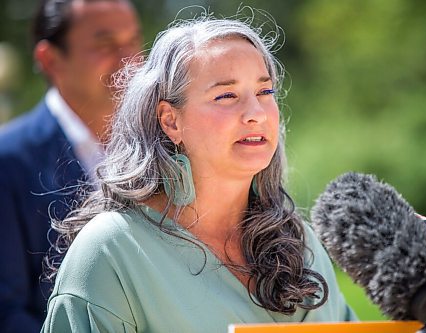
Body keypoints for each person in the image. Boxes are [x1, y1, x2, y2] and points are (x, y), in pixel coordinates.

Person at [41, 13, 356, 332]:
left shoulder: (300, 243)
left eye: (265, 92)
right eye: (226, 96)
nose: (256, 114)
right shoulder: (110, 252)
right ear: (170, 121)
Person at [0, 0, 142, 331]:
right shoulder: (8, 162)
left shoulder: (165, 147)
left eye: (133, 40)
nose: (128, 61)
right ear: (50, 60)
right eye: (105, 44)